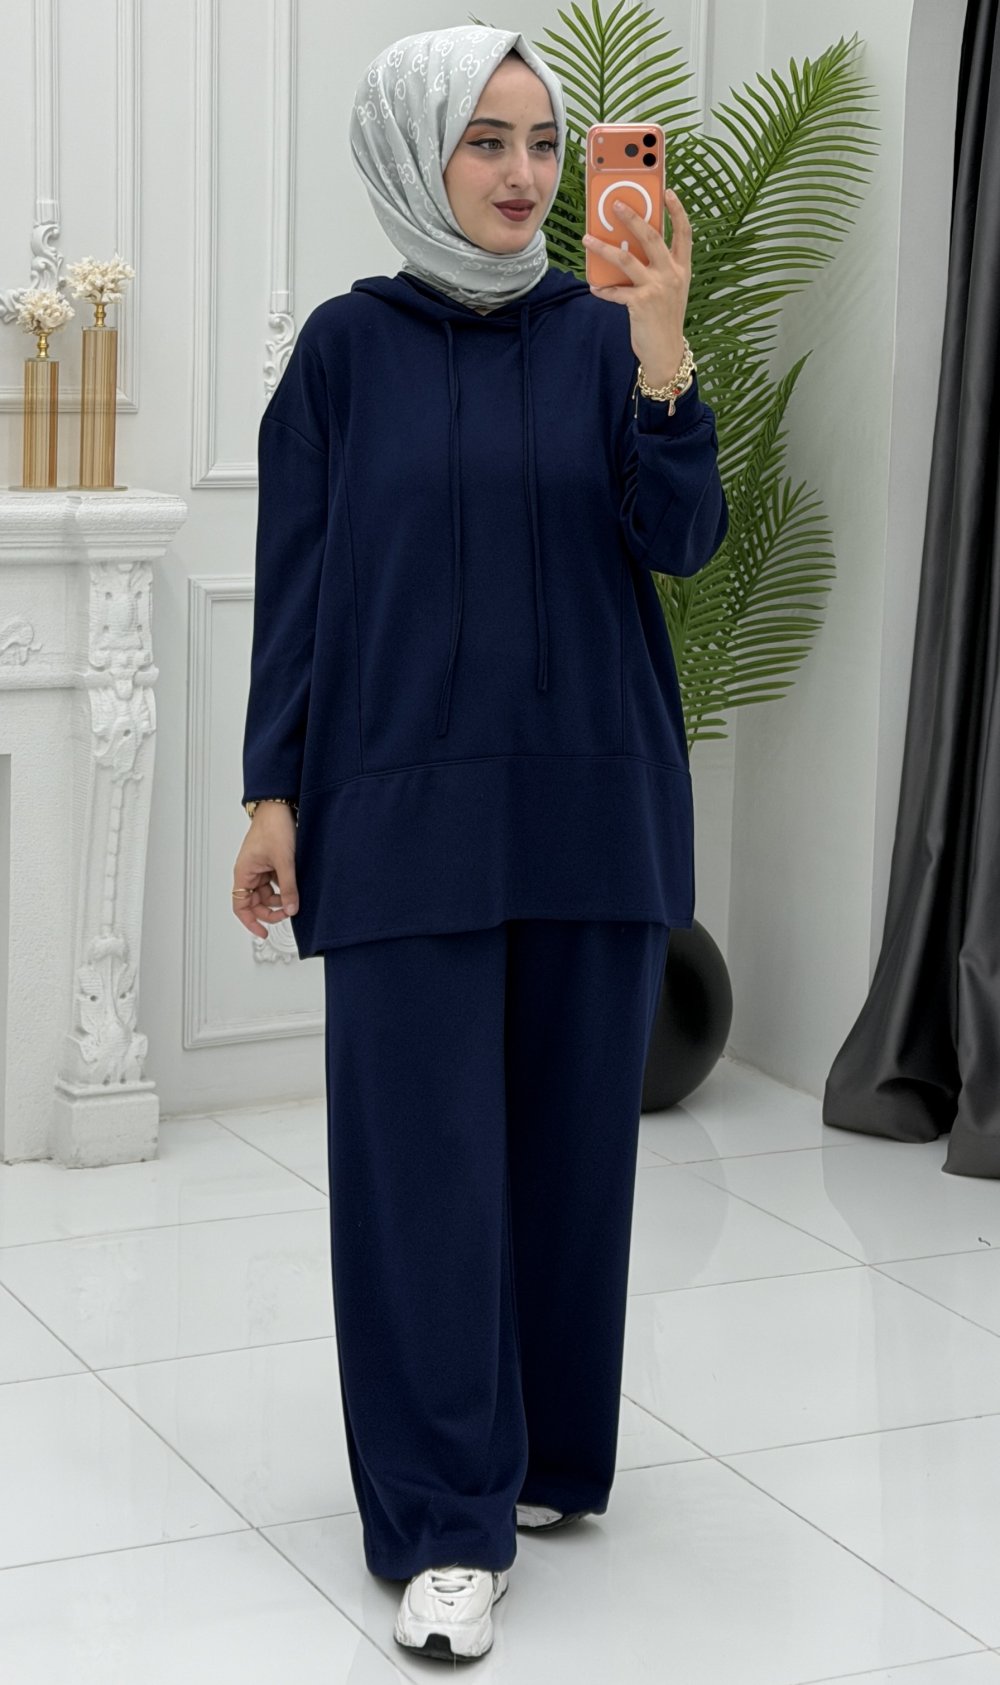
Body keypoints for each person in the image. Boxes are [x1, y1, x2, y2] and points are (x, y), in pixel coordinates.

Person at [231, 23, 728, 1665]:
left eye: (543, 143)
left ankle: (545, 1456)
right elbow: (299, 587)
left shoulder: (604, 337)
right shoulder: (341, 353)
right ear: (415, 150)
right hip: (397, 816)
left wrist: (664, 354)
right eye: (486, 140)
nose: (523, 174)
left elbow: (682, 539)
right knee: (421, 1178)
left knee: (572, 1159)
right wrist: (272, 794)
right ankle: (447, 1522)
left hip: (590, 805)